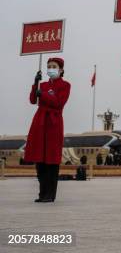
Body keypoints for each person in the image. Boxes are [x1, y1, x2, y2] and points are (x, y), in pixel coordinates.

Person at [24, 57, 71, 203]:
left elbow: (58, 103)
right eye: (49, 66)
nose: (51, 68)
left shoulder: (65, 85)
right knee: (40, 159)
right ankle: (42, 193)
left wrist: (43, 95)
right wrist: (35, 83)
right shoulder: (42, 85)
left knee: (51, 159)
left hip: (54, 122)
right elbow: (33, 100)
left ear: (61, 70)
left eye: (54, 66)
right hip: (40, 122)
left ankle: (50, 194)